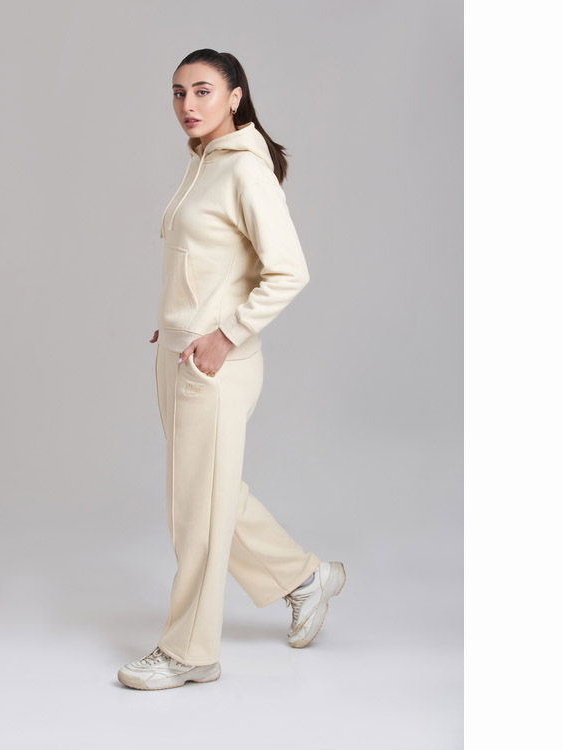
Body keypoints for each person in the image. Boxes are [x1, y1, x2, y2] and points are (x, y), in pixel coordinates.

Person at [117, 49, 347, 691]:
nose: (187, 105)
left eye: (202, 90)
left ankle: (190, 652)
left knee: (198, 511)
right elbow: (207, 263)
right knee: (206, 494)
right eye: (178, 92)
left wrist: (225, 333)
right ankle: (305, 578)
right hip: (179, 355)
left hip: (215, 367)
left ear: (235, 96)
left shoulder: (245, 168)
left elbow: (289, 271)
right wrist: (179, 320)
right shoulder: (203, 162)